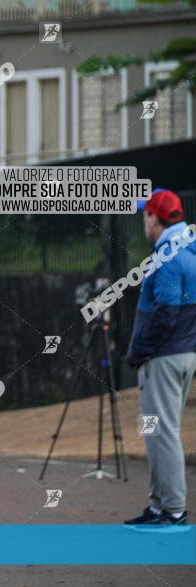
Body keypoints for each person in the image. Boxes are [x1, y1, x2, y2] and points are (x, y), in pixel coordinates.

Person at [124, 188, 196, 530]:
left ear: (154, 217)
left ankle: (174, 509)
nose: (143, 219)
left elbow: (166, 312)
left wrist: (139, 351)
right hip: (182, 354)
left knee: (161, 433)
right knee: (158, 431)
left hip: (163, 359)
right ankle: (159, 505)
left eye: (145, 213)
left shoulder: (168, 253)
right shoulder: (188, 248)